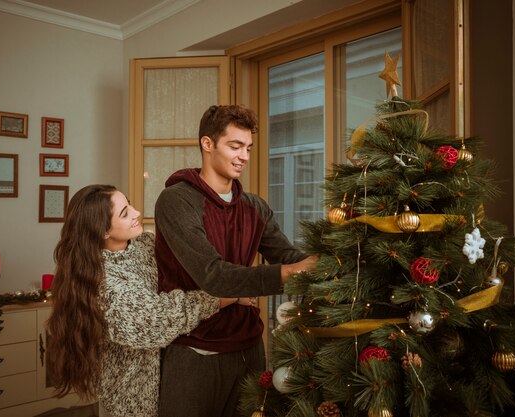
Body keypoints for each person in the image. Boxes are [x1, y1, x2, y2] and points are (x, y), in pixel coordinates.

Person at [155, 104, 318, 417]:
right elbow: (213, 276)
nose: (244, 156)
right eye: (235, 146)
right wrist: (288, 271)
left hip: (249, 349)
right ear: (207, 144)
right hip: (193, 349)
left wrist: (328, 261)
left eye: (248, 147)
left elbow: (286, 255)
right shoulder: (176, 200)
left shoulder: (255, 206)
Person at [45, 184, 256, 417]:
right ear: (102, 230)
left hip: (164, 378)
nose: (136, 213)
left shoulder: (143, 244)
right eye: (125, 213)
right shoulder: (104, 282)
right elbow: (158, 319)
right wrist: (228, 295)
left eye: (130, 204)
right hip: (130, 400)